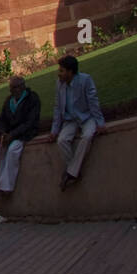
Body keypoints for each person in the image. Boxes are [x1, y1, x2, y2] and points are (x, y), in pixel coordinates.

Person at [0, 75, 41, 225]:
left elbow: (30, 122)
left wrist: (13, 135)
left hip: (23, 134)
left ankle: (6, 186)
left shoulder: (32, 99)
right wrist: (3, 133)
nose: (12, 91)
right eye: (11, 88)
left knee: (13, 151)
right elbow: (1, 120)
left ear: (22, 87)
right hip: (8, 135)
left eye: (14, 88)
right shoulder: (8, 101)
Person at [53, 55, 104, 190]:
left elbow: (93, 102)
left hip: (86, 117)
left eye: (62, 71)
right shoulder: (60, 84)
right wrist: (54, 131)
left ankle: (71, 172)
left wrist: (100, 123)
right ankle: (74, 171)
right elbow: (58, 108)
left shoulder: (85, 80)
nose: (59, 74)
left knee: (87, 136)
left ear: (70, 72)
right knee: (62, 140)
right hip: (70, 120)